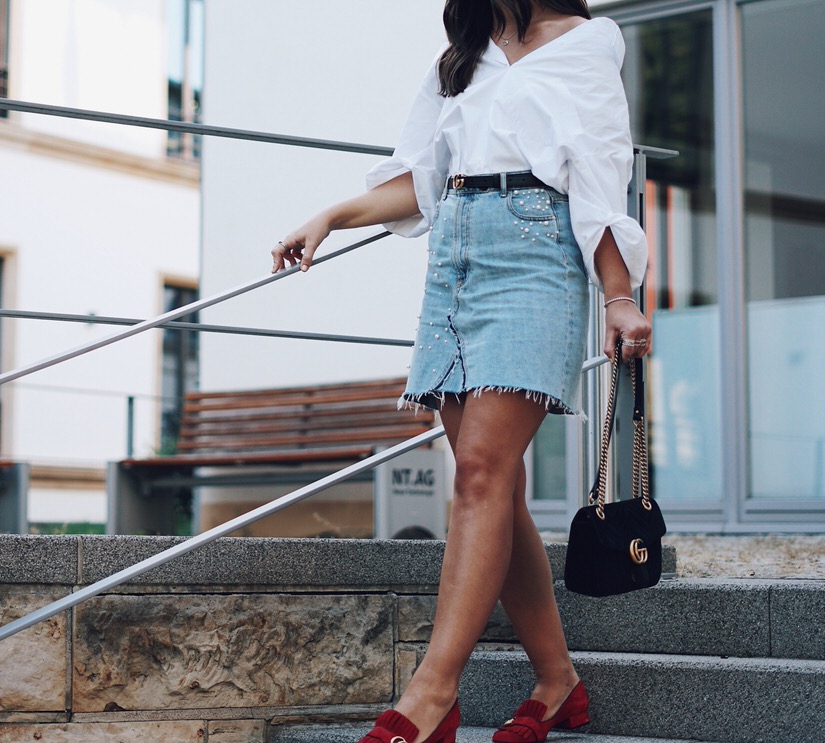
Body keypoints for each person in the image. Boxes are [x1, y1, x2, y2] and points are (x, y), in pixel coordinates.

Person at [271, 2, 651, 741]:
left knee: (480, 470)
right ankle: (556, 679)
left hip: (536, 254)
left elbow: (602, 175)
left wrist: (618, 295)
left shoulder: (590, 44)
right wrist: (330, 214)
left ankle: (431, 692)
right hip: (453, 258)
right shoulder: (463, 53)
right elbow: (417, 180)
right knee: (492, 486)